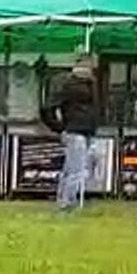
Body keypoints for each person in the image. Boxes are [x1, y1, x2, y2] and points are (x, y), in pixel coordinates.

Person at [44, 55, 99, 212]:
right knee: (77, 170)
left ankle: (64, 200)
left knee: (72, 169)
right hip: (75, 130)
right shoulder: (70, 85)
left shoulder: (90, 84)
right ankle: (68, 202)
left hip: (84, 129)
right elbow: (49, 108)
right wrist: (59, 127)